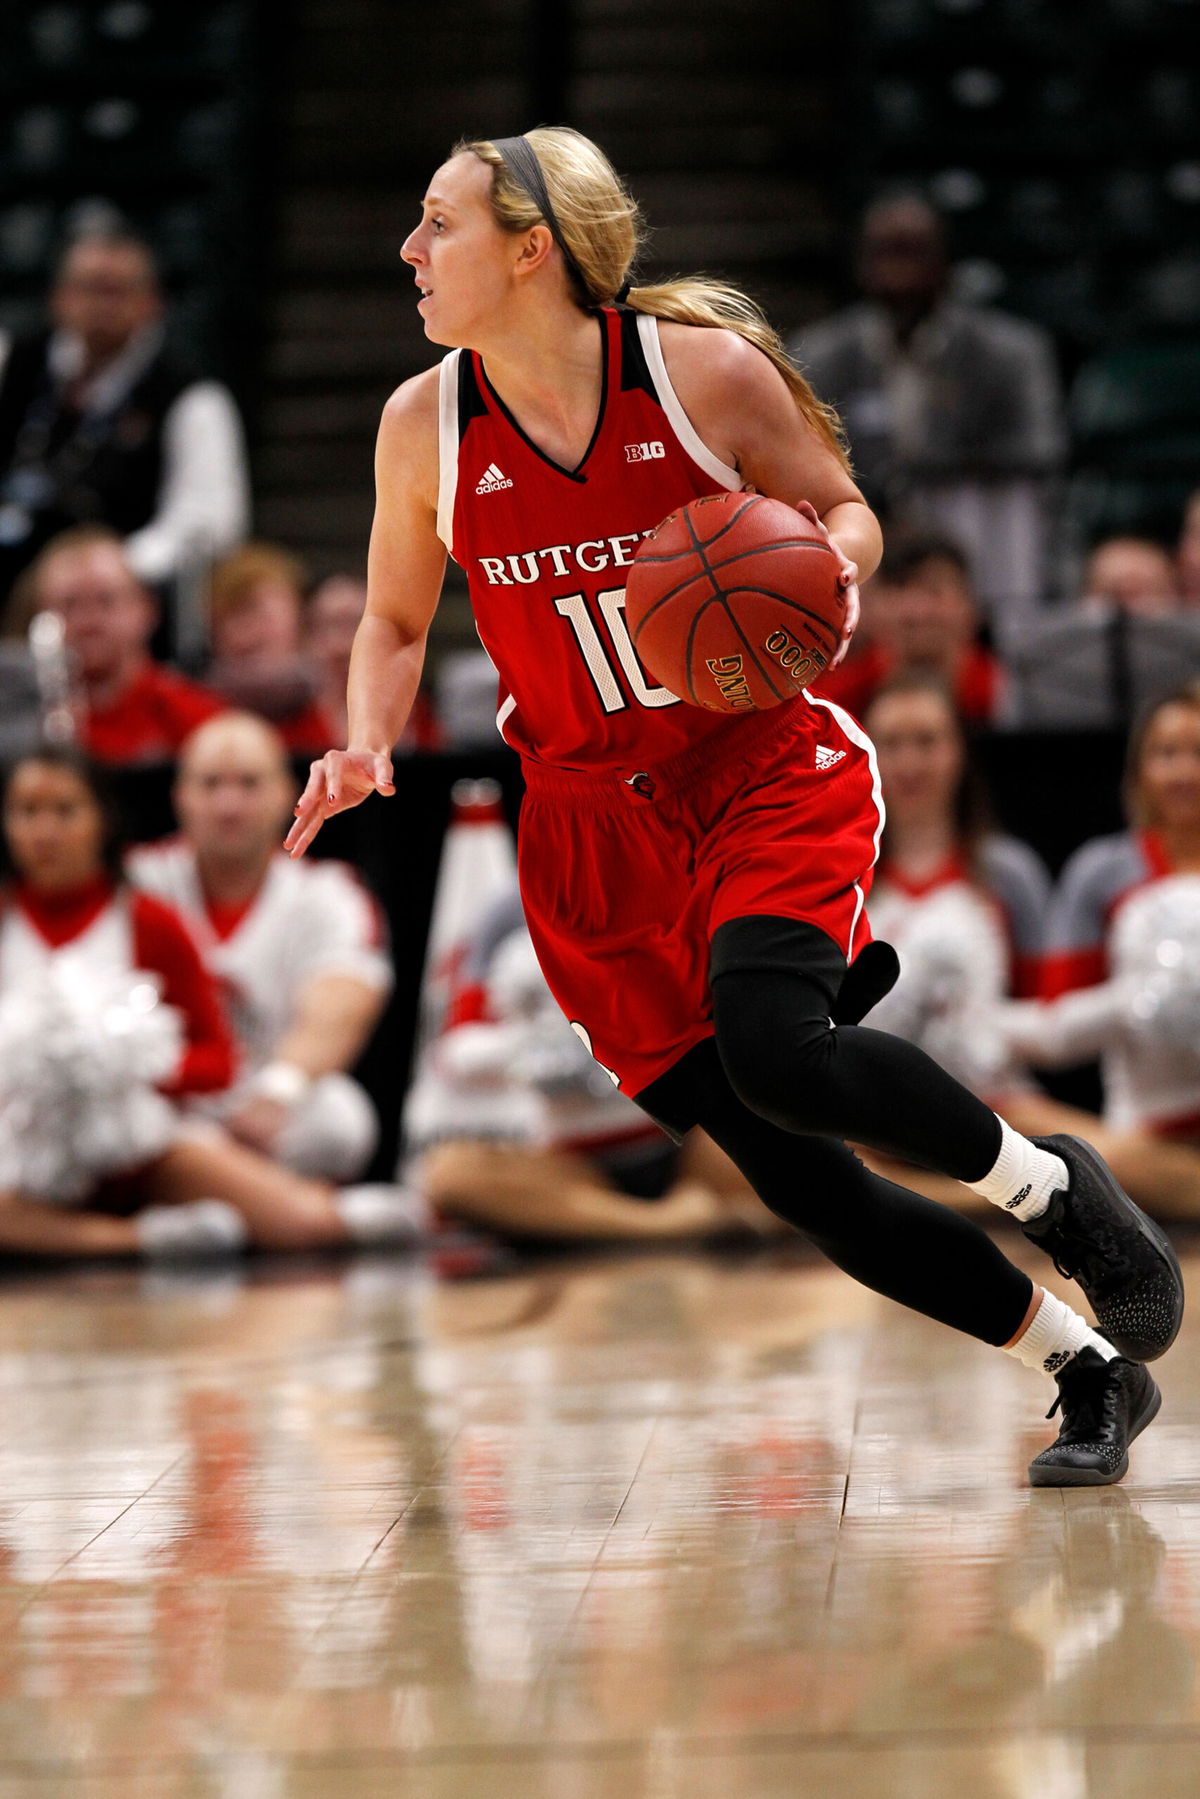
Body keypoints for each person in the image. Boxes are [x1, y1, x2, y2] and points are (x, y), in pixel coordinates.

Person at [285, 126, 1182, 1486]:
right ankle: (1084, 1370)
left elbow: (846, 512)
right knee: (804, 1181)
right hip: (590, 825)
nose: (409, 252)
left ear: (533, 251)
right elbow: (400, 619)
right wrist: (363, 741)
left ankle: (1052, 1187)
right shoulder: (425, 425)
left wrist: (823, 568)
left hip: (759, 767)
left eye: (437, 225)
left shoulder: (700, 375)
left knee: (781, 1045)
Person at [0, 747, 416, 1257]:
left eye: (65, 812)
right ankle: (140, 1241)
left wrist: (122, 1069)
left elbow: (216, 1059)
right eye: (26, 813)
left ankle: (329, 1213)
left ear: (102, 820)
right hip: (18, 1145)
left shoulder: (147, 919)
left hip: (140, 1142)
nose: (45, 833)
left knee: (305, 1209)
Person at [853, 676, 1200, 1219]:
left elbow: (1048, 1011)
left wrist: (984, 1031)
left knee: (1102, 1161)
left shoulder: (1007, 874)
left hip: (995, 1103)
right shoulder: (846, 874)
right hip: (868, 1113)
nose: (909, 763)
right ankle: (995, 1201)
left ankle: (941, 1202)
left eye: (927, 742)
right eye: (891, 744)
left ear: (960, 753)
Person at [414, 886, 773, 1241]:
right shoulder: (506, 916)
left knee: (794, 1137)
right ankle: (670, 1225)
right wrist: (532, 1050)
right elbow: (456, 1052)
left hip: (696, 1143)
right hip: (573, 1163)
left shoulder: (682, 886)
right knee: (450, 1174)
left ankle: (604, 1225)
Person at [789, 191, 1065, 640]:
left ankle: (993, 627)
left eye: (913, 251)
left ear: (944, 261)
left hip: (979, 544)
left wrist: (924, 484)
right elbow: (802, 467)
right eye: (886, 252)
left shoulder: (1009, 353)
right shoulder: (820, 355)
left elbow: (1036, 461)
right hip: (865, 545)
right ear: (860, 261)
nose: (899, 266)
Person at [129, 712, 392, 1181]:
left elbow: (347, 997)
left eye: (249, 784)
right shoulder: (135, 884)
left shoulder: (327, 892)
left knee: (339, 1119)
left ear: (283, 794)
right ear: (180, 796)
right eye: (210, 784)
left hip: (264, 1097)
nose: (229, 805)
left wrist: (279, 1090)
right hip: (163, 1093)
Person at [0, 225, 249, 606]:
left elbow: (210, 524)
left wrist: (106, 571)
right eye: (89, 287)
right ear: (59, 297)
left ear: (153, 302)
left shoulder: (192, 397)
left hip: (118, 601)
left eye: (118, 290)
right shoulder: (10, 362)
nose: (103, 304)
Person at [1006, 682, 1200, 1158]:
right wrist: (1139, 1001)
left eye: (1198, 752)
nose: (1184, 771)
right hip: (1143, 1139)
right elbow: (1058, 1021)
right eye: (1166, 753)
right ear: (1138, 772)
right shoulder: (1103, 872)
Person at [9, 525, 226, 764]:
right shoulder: (14, 725)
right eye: (69, 605)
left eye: (106, 601)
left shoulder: (199, 723)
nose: (88, 621)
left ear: (147, 609)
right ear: (39, 616)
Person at [812, 532, 1003, 723]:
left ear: (970, 608)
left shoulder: (1004, 695)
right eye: (901, 589)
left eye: (934, 590)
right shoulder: (831, 705)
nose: (917, 612)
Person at [206, 543, 337, 756]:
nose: (252, 631)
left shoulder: (338, 700)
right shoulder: (197, 712)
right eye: (236, 615)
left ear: (300, 619)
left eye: (265, 615)